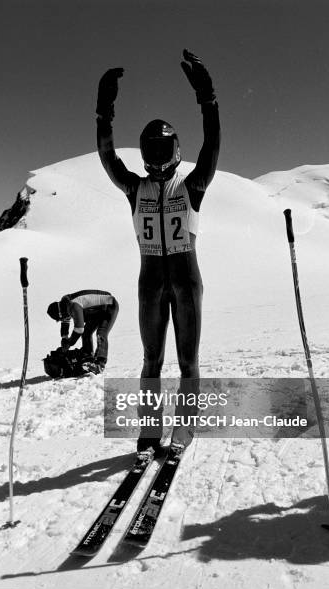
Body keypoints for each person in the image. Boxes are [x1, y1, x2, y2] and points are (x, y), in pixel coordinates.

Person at [96, 50, 220, 453]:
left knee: (187, 361)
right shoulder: (136, 188)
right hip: (153, 282)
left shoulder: (192, 186)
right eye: (150, 152)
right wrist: (104, 111)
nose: (157, 160)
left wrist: (207, 97)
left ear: (176, 150)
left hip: (184, 280)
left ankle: (185, 428)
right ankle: (149, 431)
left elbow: (212, 144)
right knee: (151, 360)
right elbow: (108, 157)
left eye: (163, 151)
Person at [47, 290, 119, 374]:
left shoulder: (73, 305)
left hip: (109, 306)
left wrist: (70, 342)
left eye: (60, 318)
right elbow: (65, 323)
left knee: (101, 333)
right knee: (86, 333)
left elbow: (79, 328)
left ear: (60, 313)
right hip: (97, 310)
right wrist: (64, 338)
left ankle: (100, 363)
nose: (62, 320)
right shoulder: (65, 305)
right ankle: (88, 355)